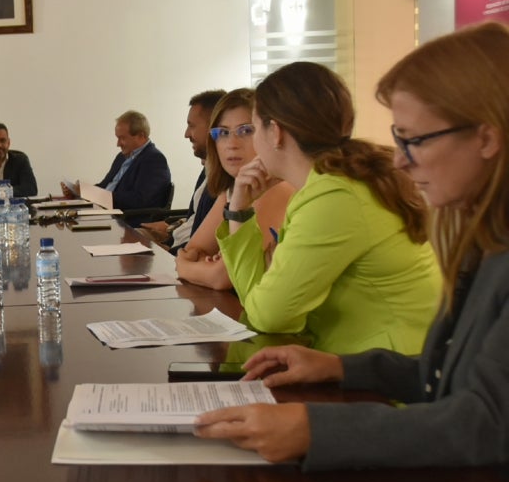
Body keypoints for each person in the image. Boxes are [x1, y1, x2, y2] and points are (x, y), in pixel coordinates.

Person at [194, 22, 509, 469]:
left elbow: (488, 423)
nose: (400, 158)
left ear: (487, 138)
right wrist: (342, 368)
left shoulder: (337, 193)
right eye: (399, 139)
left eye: (415, 140)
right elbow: (443, 375)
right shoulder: (483, 235)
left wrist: (314, 429)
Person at [213, 61, 440, 355]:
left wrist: (239, 211)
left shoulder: (335, 196)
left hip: (390, 383)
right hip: (365, 365)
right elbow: (259, 302)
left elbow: (269, 316)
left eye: (253, 129)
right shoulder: (330, 185)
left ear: (275, 133)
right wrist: (239, 209)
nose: (251, 140)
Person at [176, 89, 294, 290]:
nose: (231, 144)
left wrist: (185, 268)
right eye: (222, 133)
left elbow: (222, 278)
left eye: (246, 131)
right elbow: (193, 249)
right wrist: (208, 264)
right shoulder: (235, 188)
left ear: (270, 134)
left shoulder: (277, 187)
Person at [140, 89, 226, 251]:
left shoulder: (227, 178)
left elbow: (205, 245)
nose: (186, 134)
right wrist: (172, 228)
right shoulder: (208, 168)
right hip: (176, 244)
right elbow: (195, 219)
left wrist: (169, 251)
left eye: (191, 126)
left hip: (182, 253)